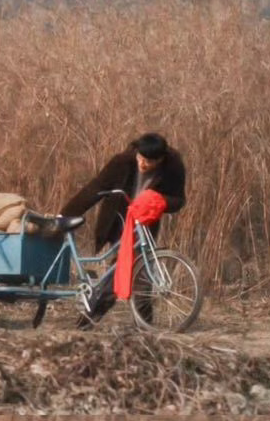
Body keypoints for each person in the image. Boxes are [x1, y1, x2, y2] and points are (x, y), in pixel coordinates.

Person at [58, 132, 187, 325]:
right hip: (118, 220)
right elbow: (96, 187)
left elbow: (178, 200)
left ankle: (127, 323)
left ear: (160, 160)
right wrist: (66, 213)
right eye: (141, 158)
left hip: (145, 223)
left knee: (139, 272)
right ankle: (106, 320)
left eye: (149, 162)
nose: (143, 164)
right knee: (122, 270)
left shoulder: (173, 168)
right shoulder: (122, 162)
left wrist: (161, 201)